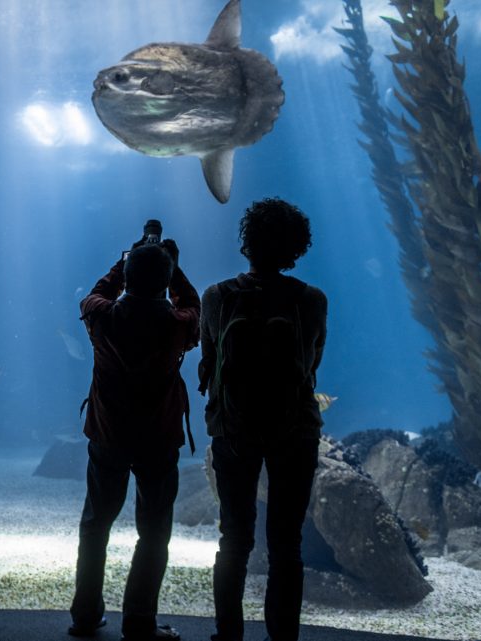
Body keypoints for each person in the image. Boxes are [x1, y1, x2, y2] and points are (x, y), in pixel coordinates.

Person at [197, 198, 327, 641]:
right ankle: (282, 637)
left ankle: (227, 634)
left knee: (233, 539)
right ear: (296, 248)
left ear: (246, 243)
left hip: (232, 431)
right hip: (295, 431)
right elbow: (311, 366)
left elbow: (207, 366)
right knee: (286, 545)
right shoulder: (310, 300)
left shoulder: (216, 296)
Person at [70, 232, 200, 641]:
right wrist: (173, 269)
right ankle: (140, 620)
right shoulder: (178, 324)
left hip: (108, 434)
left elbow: (94, 294)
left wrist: (122, 261)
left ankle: (86, 616)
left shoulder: (102, 316)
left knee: (96, 523)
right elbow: (193, 306)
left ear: (126, 276)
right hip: (158, 438)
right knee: (155, 529)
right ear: (166, 280)